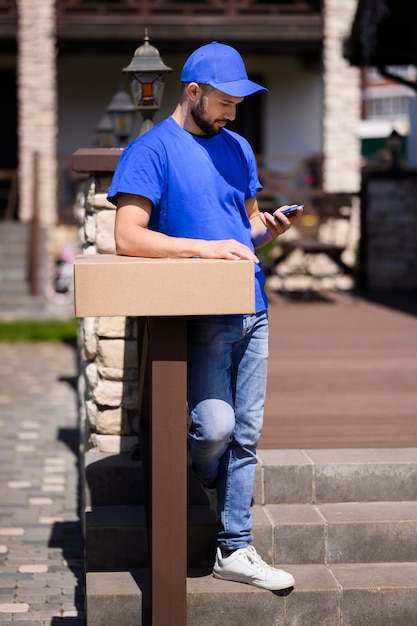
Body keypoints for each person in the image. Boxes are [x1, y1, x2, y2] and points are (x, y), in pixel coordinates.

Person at [108, 41, 301, 591]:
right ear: (192, 92)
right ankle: (199, 486)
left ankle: (235, 548)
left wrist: (268, 229)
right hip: (200, 314)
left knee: (247, 432)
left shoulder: (237, 146)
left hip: (253, 307)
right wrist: (206, 249)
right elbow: (127, 237)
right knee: (213, 428)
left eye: (239, 103)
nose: (232, 112)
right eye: (224, 101)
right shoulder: (150, 151)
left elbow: (243, 231)